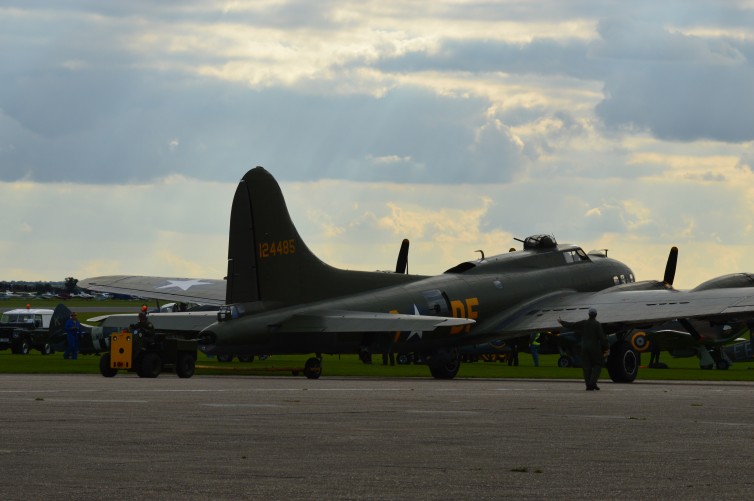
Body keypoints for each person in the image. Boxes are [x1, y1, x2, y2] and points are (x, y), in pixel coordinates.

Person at [558, 308, 609, 391]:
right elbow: (602, 337)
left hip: (584, 348)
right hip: (594, 348)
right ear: (596, 315)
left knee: (586, 366)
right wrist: (606, 347)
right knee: (597, 365)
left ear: (589, 314)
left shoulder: (584, 323)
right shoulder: (597, 324)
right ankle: (592, 382)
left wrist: (562, 322)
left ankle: (588, 385)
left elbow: (572, 325)